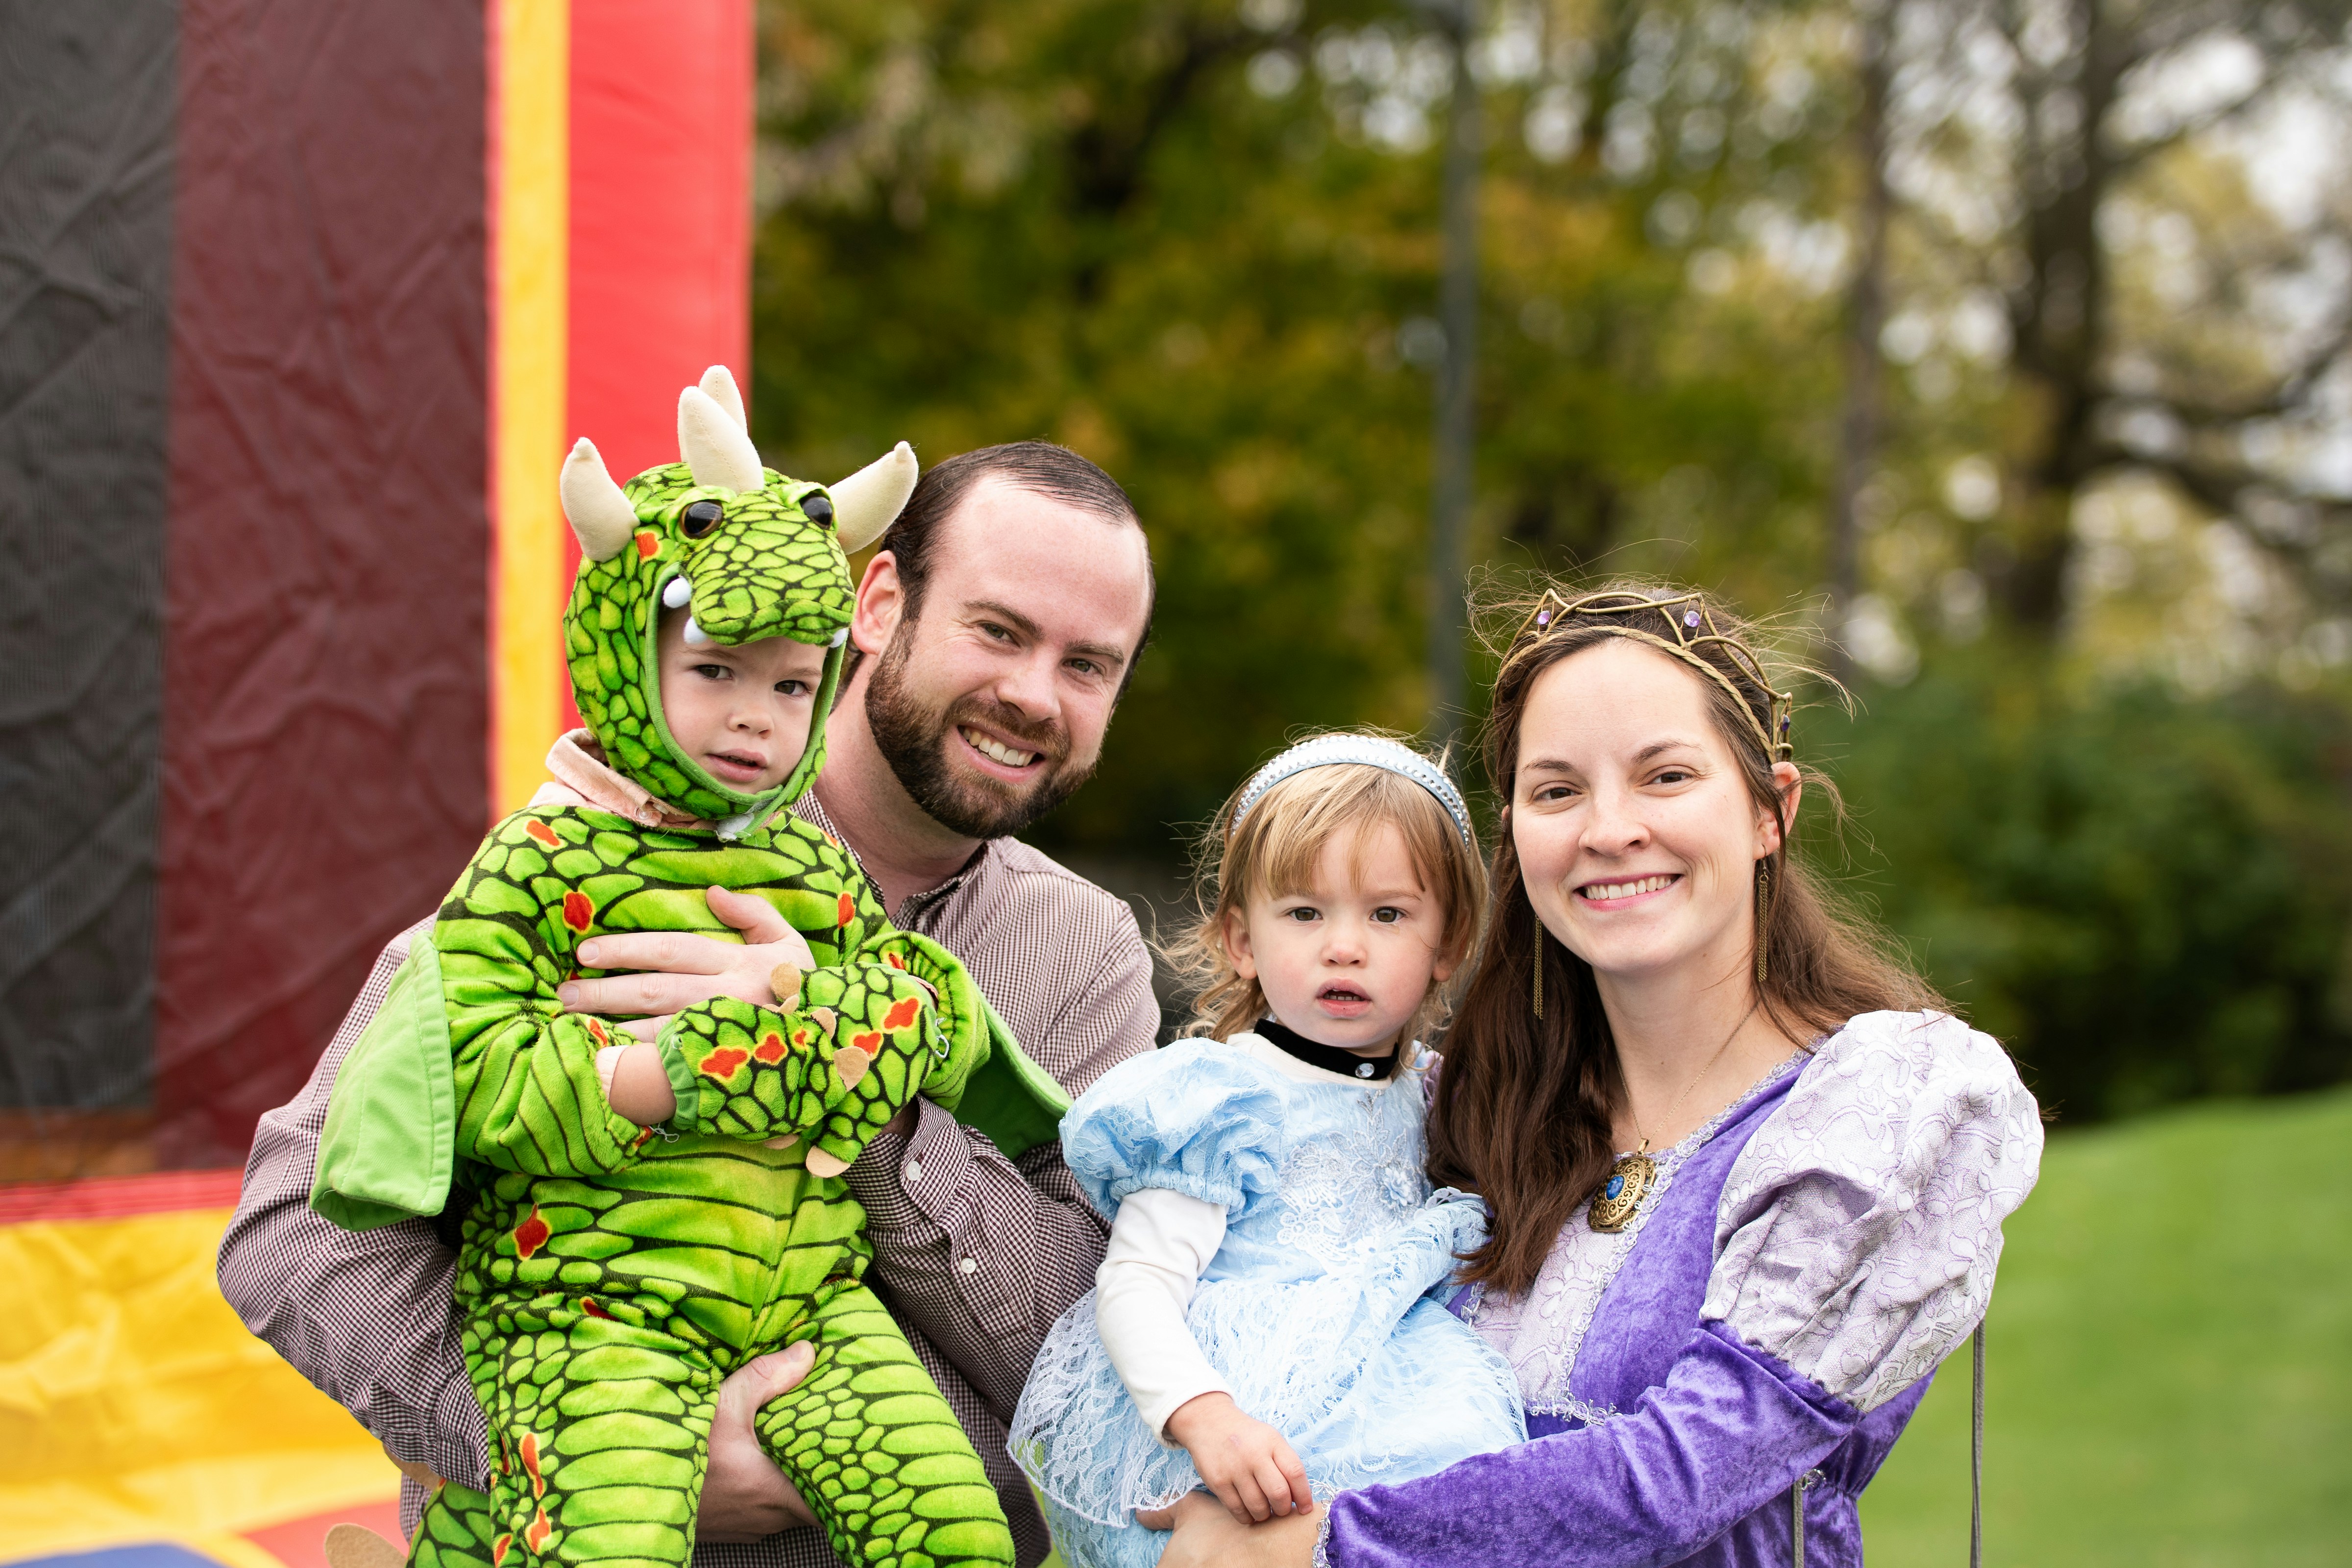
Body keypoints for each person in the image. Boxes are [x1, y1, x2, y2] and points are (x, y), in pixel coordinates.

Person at [219, 426, 1161, 1568]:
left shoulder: (1087, 950)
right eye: (999, 630)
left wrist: (847, 1074)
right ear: (877, 604)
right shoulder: (605, 846)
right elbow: (291, 1229)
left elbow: (1095, 1339)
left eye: (1088, 663)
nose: (1032, 694)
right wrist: (576, 1455)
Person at [1151, 582, 2043, 1568]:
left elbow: (1685, 1475)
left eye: (1665, 776)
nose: (1609, 829)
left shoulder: (1882, 1105)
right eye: (1558, 790)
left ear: (1768, 812)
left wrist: (1322, 1547)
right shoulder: (1461, 1111)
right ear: (1518, 840)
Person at [1008, 734, 1523, 1568]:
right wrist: (1206, 1418)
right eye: (1305, 913)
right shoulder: (1224, 1096)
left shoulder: (1433, 1093)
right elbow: (1137, 1283)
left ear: (1450, 948)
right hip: (1237, 1401)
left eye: (1388, 914)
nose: (1344, 946)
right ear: (1243, 942)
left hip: (1382, 1379)